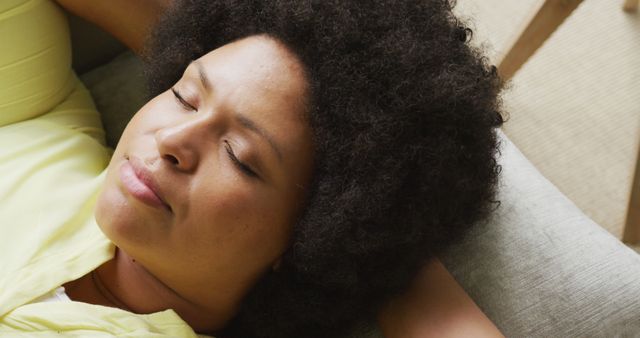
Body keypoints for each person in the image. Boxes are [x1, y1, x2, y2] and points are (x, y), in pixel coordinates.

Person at [0, 0, 505, 337]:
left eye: (239, 156)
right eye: (184, 95)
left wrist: (383, 260)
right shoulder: (36, 117)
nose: (173, 141)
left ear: (314, 236)